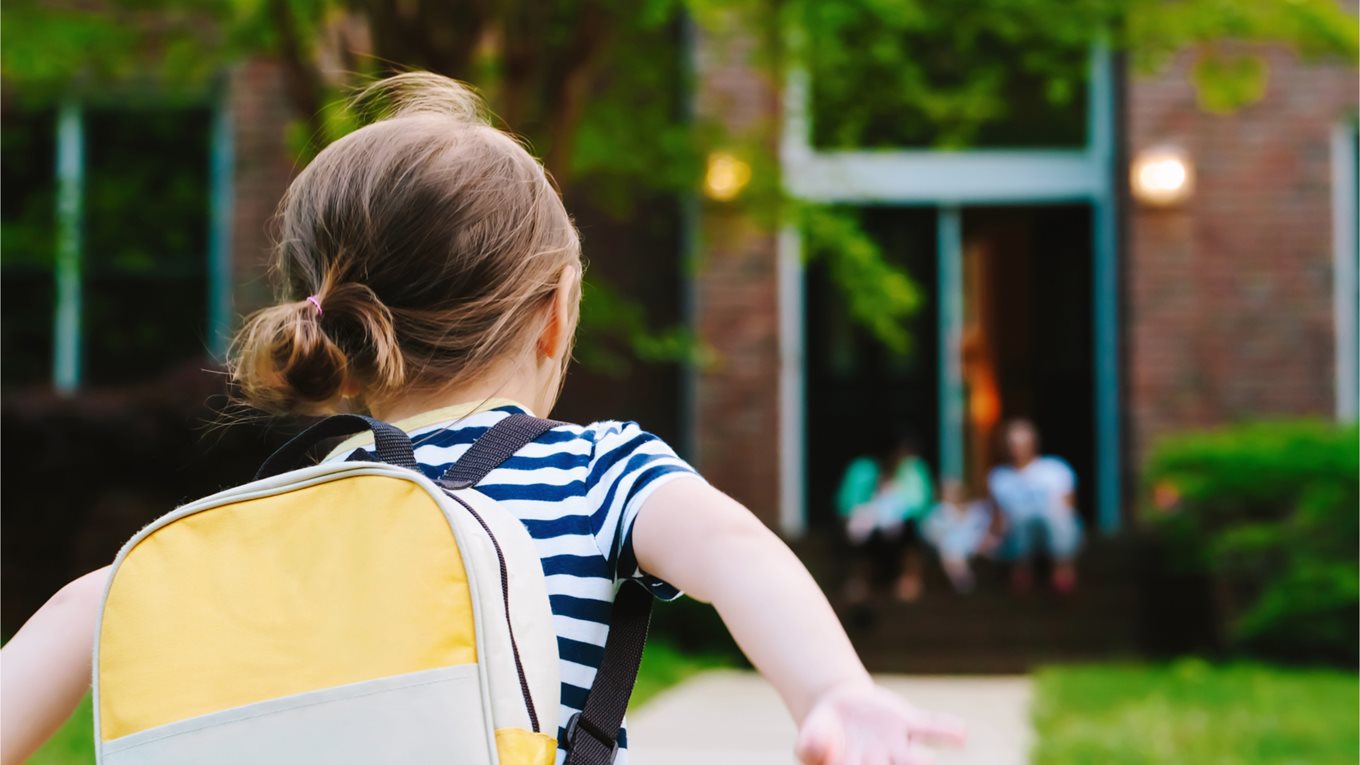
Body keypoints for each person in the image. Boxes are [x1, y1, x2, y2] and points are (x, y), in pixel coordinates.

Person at [0, 74, 963, 765]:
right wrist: (832, 689)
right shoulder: (597, 472)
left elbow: (92, 603)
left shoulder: (253, 521)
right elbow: (737, 549)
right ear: (554, 314)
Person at [987, 419, 1082, 593]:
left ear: (1033, 444)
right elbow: (998, 518)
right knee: (1019, 518)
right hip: (1017, 534)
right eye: (1012, 444)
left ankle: (1062, 570)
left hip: (1051, 529)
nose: (1016, 449)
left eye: (1021, 443)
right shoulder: (999, 477)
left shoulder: (1055, 469)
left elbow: (1068, 510)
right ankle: (1022, 570)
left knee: (1056, 516)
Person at [835, 436, 933, 603]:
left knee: (909, 533)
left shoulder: (914, 471)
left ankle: (908, 578)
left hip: (902, 530)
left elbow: (921, 506)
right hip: (870, 530)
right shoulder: (863, 470)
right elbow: (846, 505)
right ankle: (860, 580)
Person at [921, 480, 997, 594]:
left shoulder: (977, 510)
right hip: (951, 550)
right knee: (951, 553)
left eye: (955, 492)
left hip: (975, 547)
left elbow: (987, 530)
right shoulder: (938, 513)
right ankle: (963, 584)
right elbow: (930, 535)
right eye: (947, 492)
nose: (951, 495)